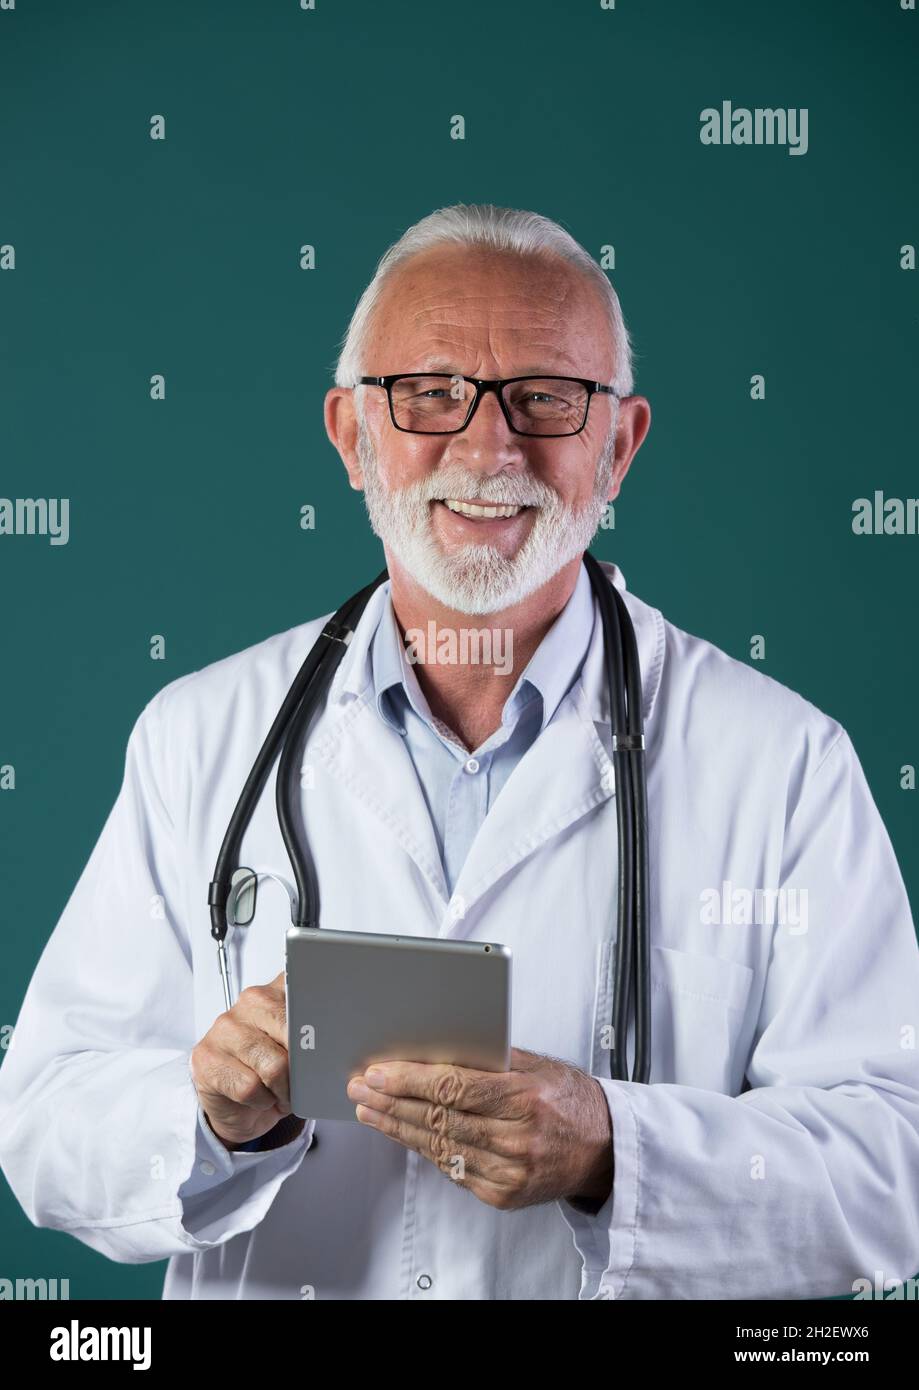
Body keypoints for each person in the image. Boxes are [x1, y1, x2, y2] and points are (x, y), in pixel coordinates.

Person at [1, 204, 917, 1301]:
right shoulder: (200, 735)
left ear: (618, 445)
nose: (489, 448)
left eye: (547, 397)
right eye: (431, 393)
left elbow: (893, 1164)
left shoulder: (785, 764)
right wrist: (206, 1116)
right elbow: (45, 1120)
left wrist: (617, 1151)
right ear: (351, 435)